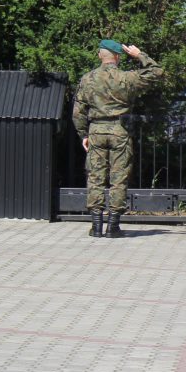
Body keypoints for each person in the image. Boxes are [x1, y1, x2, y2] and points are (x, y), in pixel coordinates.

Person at [72, 40, 163, 237]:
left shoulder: (88, 79)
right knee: (119, 177)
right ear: (118, 57)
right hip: (119, 130)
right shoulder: (126, 78)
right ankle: (113, 226)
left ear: (99, 55)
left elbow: (78, 112)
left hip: (96, 130)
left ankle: (96, 225)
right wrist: (139, 55)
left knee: (95, 177)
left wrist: (83, 134)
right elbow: (156, 72)